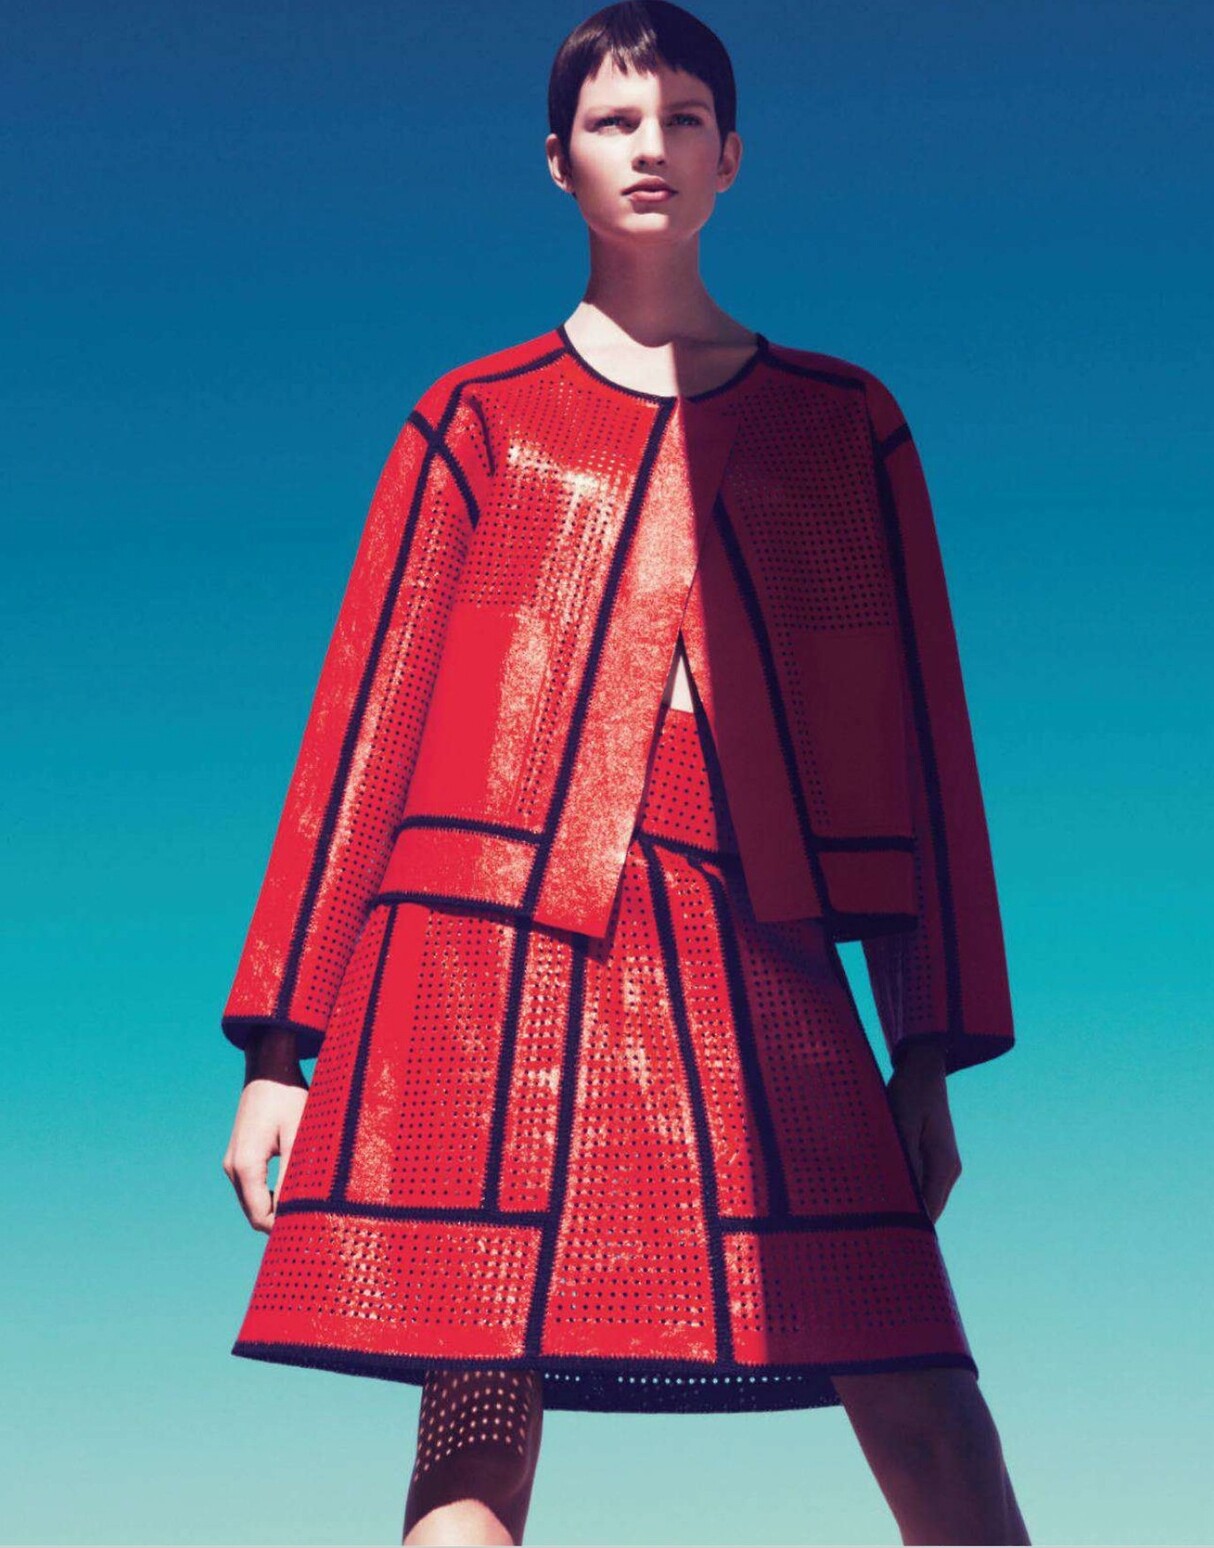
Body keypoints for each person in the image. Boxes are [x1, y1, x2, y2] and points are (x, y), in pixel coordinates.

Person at [221, 4, 1029, 1543]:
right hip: (484, 963)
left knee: (933, 1415)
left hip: (757, 941)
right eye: (611, 121)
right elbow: (367, 727)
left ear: (732, 155)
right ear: (557, 162)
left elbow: (924, 739)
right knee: (477, 1425)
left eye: (680, 118)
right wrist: (280, 1047)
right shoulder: (475, 420)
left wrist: (924, 1046)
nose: (648, 147)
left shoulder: (843, 426)